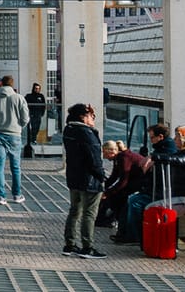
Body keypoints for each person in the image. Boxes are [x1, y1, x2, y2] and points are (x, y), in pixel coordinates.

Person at [60, 102, 106, 258]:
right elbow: (94, 158)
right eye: (91, 116)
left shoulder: (69, 129)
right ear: (82, 117)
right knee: (89, 213)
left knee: (74, 211)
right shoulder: (86, 133)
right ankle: (88, 247)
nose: (93, 118)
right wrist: (102, 177)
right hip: (89, 179)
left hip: (73, 176)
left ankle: (69, 244)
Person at [0, 75, 27, 204]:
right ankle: (16, 194)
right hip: (14, 134)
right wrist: (18, 126)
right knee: (15, 167)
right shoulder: (19, 98)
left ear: (1, 83)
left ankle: (1, 196)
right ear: (12, 85)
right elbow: (25, 118)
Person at [98, 139, 150, 239]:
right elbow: (114, 176)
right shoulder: (119, 158)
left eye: (104, 153)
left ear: (111, 152)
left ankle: (123, 230)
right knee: (115, 198)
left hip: (140, 184)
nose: (104, 156)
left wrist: (108, 193)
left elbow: (123, 181)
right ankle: (118, 226)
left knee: (119, 200)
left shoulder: (124, 158)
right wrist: (104, 188)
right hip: (134, 182)